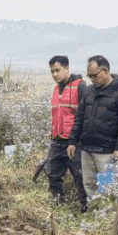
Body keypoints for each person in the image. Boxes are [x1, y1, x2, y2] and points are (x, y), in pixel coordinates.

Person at [67, 55, 118, 202]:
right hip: (87, 150)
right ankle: (94, 213)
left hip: (106, 153)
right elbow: (79, 118)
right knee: (89, 184)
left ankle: (106, 217)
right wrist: (73, 141)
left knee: (106, 187)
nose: (92, 79)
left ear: (105, 71)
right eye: (90, 76)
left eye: (94, 76)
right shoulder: (90, 91)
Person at [46, 55, 88, 211]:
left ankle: (85, 208)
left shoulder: (80, 86)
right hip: (57, 140)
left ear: (66, 69)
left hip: (74, 142)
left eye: (57, 70)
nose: (55, 75)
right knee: (52, 174)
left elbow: (86, 114)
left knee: (80, 175)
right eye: (52, 72)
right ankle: (59, 205)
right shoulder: (56, 89)